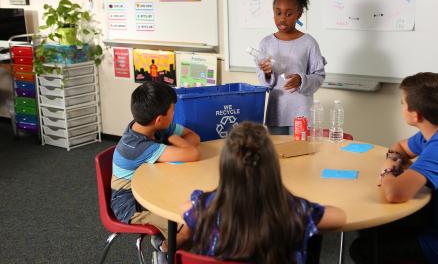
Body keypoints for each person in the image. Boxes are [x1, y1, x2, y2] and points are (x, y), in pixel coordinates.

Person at [350, 72, 438, 263]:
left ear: (415, 115)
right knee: (370, 227)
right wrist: (394, 158)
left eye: (402, 103)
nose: (401, 106)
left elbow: (394, 193)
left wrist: (386, 170)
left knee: (362, 249)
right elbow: (400, 147)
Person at [177, 122, 345, 263]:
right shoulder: (295, 209)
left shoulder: (204, 207)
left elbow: (183, 208)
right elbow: (340, 216)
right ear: (272, 167)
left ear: (225, 167)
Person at [110, 81, 201, 252]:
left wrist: (176, 146)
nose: (174, 114)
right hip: (130, 203)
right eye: (173, 111)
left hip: (154, 187)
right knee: (192, 225)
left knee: (197, 218)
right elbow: (193, 153)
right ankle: (164, 248)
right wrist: (174, 140)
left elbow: (194, 137)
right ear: (159, 119)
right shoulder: (138, 146)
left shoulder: (148, 126)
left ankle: (168, 243)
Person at [257, 0, 326, 135]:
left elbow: (319, 75)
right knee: (278, 155)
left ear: (299, 13)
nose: (282, 19)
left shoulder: (308, 42)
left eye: (289, 14)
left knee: (301, 155)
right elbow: (263, 82)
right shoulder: (266, 43)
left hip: (301, 113)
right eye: (278, 13)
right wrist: (267, 73)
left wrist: (301, 80)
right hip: (276, 112)